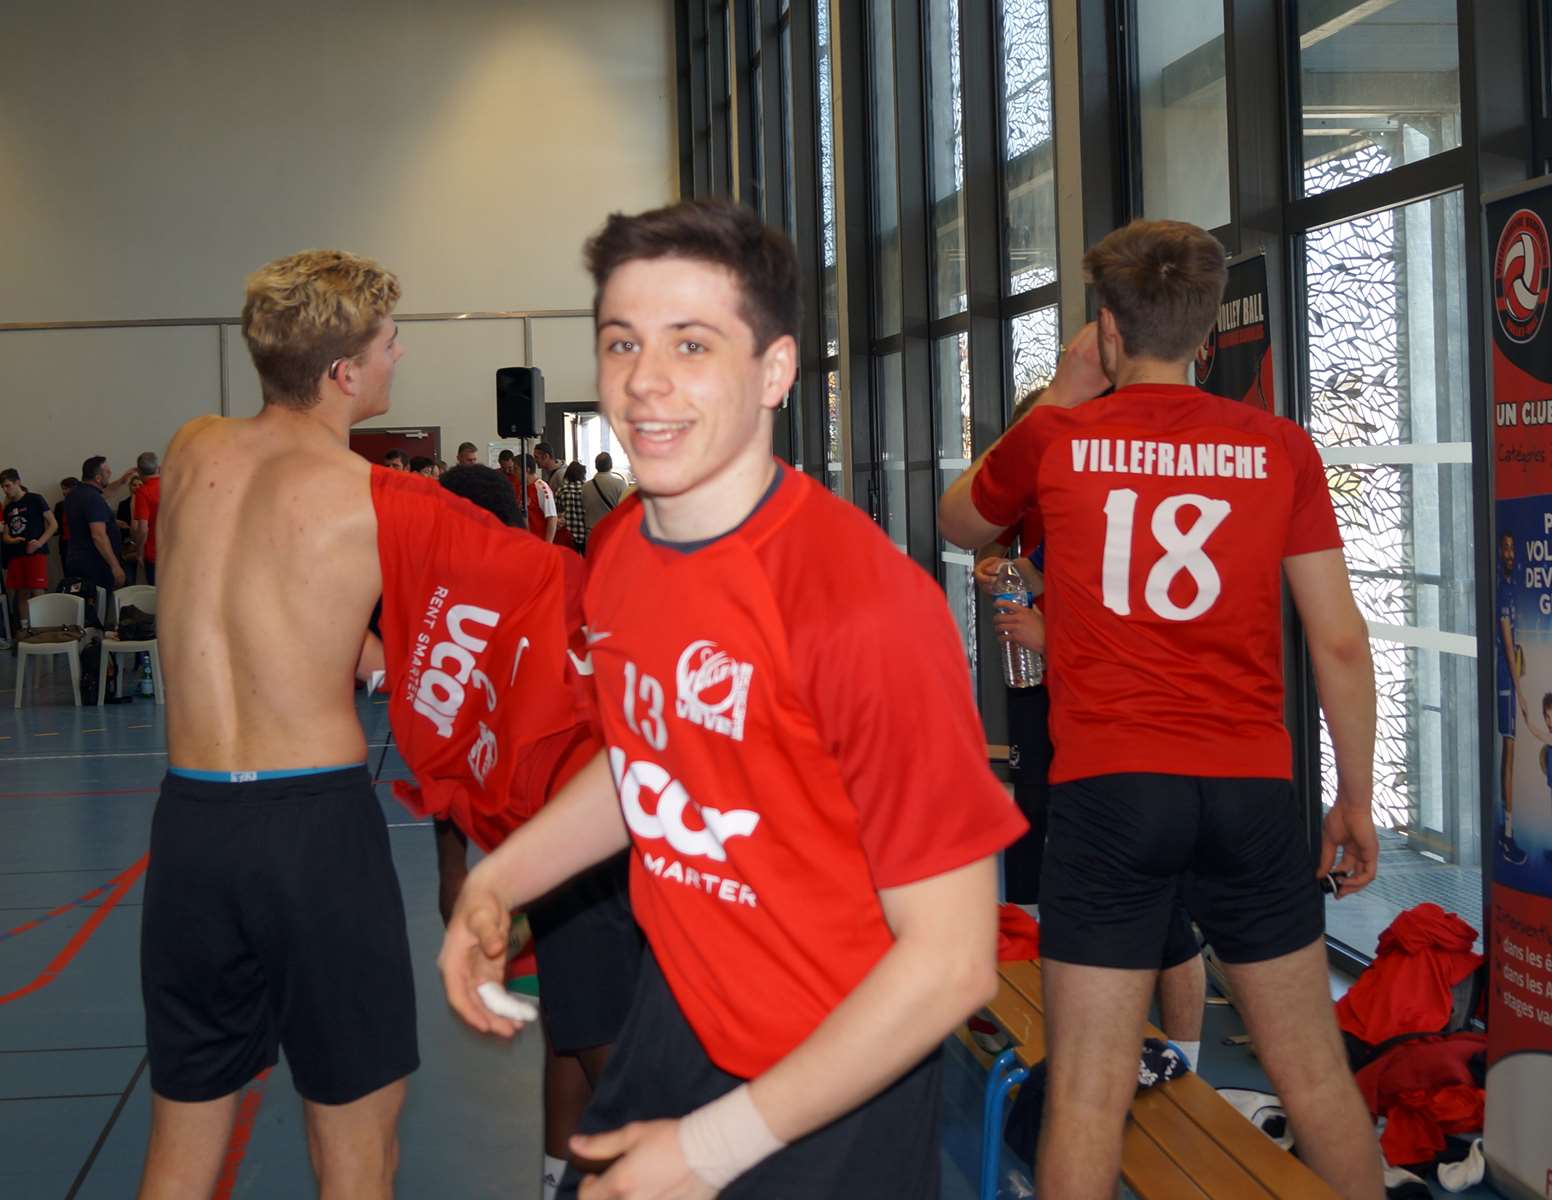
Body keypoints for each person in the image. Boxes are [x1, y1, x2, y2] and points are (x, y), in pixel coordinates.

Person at [440, 198, 1024, 1200]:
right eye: (622, 342)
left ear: (775, 371)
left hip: (832, 1077)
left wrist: (711, 1149)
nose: (645, 380)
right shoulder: (626, 551)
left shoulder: (863, 607)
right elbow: (646, 758)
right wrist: (503, 880)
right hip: (676, 1019)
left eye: (692, 344)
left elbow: (953, 963)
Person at [938, 218, 1384, 1200]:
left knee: (1087, 1095)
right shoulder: (1281, 447)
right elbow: (1340, 642)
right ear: (1208, 332)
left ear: (1106, 329)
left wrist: (1063, 393)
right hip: (1250, 787)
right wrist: (1352, 798)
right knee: (1315, 1079)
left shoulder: (1056, 437)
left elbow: (959, 518)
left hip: (1111, 788)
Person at [136, 249, 416, 1200]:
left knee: (180, 1149)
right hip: (314, 832)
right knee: (358, 1152)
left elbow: (262, 600)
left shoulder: (191, 449)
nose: (396, 355)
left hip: (192, 827)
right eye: (388, 343)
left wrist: (362, 651)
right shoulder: (375, 497)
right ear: (343, 372)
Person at [410, 461, 641, 1200]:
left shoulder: (551, 578)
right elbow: (443, 744)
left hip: (592, 829)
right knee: (593, 1035)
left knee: (578, 1033)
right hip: (577, 842)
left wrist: (455, 868)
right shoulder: (504, 595)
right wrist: (456, 870)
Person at [1498, 533, 1530, 865]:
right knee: (1509, 752)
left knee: (1511, 752)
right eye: (1505, 548)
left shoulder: (1510, 586)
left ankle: (1506, 830)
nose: (1509, 553)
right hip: (1506, 682)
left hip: (1512, 677)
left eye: (1512, 548)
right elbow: (1507, 646)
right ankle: (1507, 834)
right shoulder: (1503, 591)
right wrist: (1520, 693)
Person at [2, 468, 58, 630]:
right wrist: (11, 540)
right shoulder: (8, 508)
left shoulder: (35, 499)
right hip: (16, 554)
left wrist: (39, 543)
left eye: (8, 485)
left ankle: (42, 628)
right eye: (3, 487)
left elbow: (53, 524)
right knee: (21, 592)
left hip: (35, 553)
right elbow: (6, 536)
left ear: (18, 482)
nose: (5, 490)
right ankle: (25, 628)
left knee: (37, 590)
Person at [64, 456, 126, 598]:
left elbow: (104, 493)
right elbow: (98, 535)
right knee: (98, 606)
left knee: (83, 605)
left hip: (77, 559)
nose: (110, 473)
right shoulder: (93, 498)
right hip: (95, 564)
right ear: (98, 478)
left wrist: (122, 481)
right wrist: (115, 566)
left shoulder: (74, 494)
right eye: (107, 472)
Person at [580, 450, 626, 543]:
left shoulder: (585, 487)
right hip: (612, 532)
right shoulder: (620, 484)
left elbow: (584, 507)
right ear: (611, 465)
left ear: (596, 466)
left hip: (592, 533)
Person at [132, 451, 162, 586]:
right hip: (175, 553)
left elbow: (143, 529)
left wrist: (139, 552)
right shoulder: (173, 486)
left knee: (154, 594)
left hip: (154, 554)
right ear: (158, 468)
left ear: (139, 471)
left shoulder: (143, 492)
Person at [524, 453, 559, 543]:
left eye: (516, 469)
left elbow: (552, 518)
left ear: (526, 469)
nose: (513, 472)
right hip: (528, 540)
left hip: (539, 541)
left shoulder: (541, 487)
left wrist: (547, 545)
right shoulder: (523, 487)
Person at [116, 473, 144, 585]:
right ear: (130, 487)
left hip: (145, 544)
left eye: (140, 485)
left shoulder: (150, 502)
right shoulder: (123, 504)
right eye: (134, 485)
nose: (137, 487)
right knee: (129, 579)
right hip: (129, 545)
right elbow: (121, 526)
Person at [555, 461, 588, 554]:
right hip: (584, 533)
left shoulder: (561, 490)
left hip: (568, 534)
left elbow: (556, 512)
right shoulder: (587, 489)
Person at [53, 477, 77, 572]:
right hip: (65, 542)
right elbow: (57, 525)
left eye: (66, 488)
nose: (64, 492)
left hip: (81, 542)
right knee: (68, 571)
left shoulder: (83, 503)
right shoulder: (60, 506)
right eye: (63, 489)